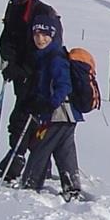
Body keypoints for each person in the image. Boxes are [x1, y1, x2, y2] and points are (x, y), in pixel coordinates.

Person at [0, 0, 63, 182]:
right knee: (29, 119)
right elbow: (8, 38)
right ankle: (40, 166)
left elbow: (46, 45)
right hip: (19, 73)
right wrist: (9, 62)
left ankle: (15, 163)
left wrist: (24, 68)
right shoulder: (14, 6)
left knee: (23, 119)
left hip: (37, 74)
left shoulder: (40, 10)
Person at [19, 13, 83, 200]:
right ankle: (72, 188)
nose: (40, 39)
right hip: (67, 115)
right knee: (64, 150)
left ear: (53, 35)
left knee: (41, 146)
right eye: (37, 34)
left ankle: (31, 184)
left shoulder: (55, 58)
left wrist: (49, 104)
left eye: (45, 35)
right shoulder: (44, 56)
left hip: (59, 113)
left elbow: (64, 85)